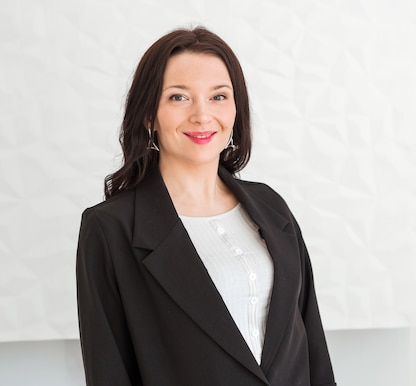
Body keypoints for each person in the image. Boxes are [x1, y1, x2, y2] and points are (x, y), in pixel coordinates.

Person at [76, 26, 336, 386]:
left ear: (235, 108)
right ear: (149, 114)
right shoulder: (111, 229)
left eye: (218, 96)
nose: (202, 115)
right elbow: (109, 371)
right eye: (179, 97)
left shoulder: (271, 207)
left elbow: (314, 351)